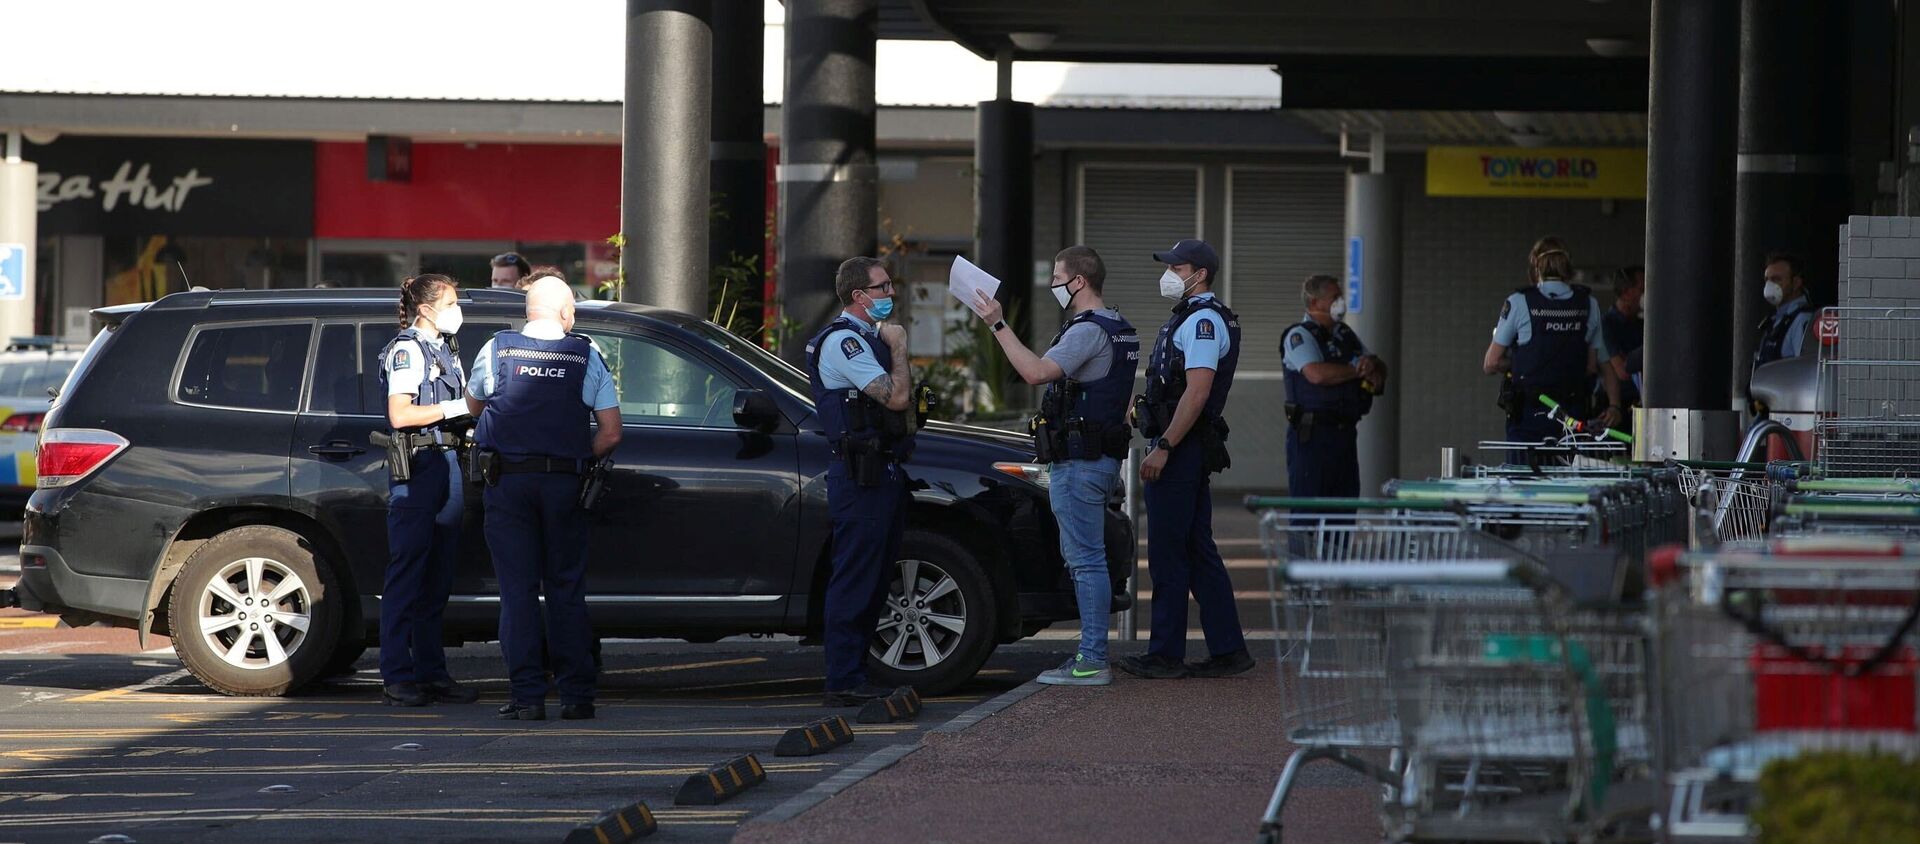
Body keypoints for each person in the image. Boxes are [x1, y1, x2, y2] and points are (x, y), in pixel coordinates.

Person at [970, 246, 1138, 686]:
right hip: (1099, 458)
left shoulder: (1086, 331)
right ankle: (1091, 655)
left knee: (1085, 561)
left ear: (1079, 281)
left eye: (1058, 277)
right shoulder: (1120, 326)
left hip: (1080, 462)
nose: (1053, 285)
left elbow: (1036, 372)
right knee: (1089, 558)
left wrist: (997, 324)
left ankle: (1091, 659)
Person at [467, 274, 622, 721]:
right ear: (567, 312)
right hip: (564, 486)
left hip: (508, 484)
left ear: (527, 312)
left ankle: (527, 698)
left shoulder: (496, 350)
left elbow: (475, 407)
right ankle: (576, 696)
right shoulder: (586, 354)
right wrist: (571, 455)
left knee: (516, 593)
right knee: (566, 590)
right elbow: (611, 433)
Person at [1120, 238, 1253, 681]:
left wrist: (1165, 446)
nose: (1169, 275)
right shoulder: (1193, 318)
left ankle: (1165, 654)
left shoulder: (1202, 323)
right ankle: (1229, 649)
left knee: (1168, 553)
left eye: (1176, 268)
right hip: (1185, 445)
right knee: (1196, 549)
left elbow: (1196, 393)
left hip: (1181, 448)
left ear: (1200, 274)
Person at [804, 256, 916, 707]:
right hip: (859, 476)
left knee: (875, 578)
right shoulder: (845, 343)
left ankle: (857, 671)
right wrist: (901, 347)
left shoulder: (870, 340)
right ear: (859, 296)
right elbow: (897, 398)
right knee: (855, 577)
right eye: (883, 288)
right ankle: (843, 678)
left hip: (881, 471)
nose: (891, 294)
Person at [377, 274, 483, 708]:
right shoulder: (408, 350)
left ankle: (432, 673)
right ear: (426, 309)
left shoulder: (447, 350)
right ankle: (397, 676)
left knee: (438, 578)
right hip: (418, 469)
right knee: (408, 575)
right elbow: (400, 415)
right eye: (451, 302)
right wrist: (462, 407)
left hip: (448, 463)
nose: (458, 310)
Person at [1482, 237, 1621, 450]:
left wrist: (1521, 363)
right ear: (1567, 265)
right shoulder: (1588, 304)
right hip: (1572, 417)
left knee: (1522, 479)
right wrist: (1614, 406)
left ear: (1535, 266)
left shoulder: (1519, 302)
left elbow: (1491, 363)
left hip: (1528, 415)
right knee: (1570, 479)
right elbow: (1595, 365)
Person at [1282, 274, 1387, 498]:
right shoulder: (1299, 336)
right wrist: (1357, 371)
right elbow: (1316, 374)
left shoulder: (1344, 334)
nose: (1341, 303)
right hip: (1312, 437)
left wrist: (1373, 367)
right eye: (1334, 297)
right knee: (1309, 512)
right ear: (1314, 303)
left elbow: (1374, 363)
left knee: (1342, 509)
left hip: (1345, 434)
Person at [1753, 251, 1815, 371]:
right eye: (1767, 280)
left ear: (1796, 283)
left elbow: (1805, 370)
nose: (1770, 285)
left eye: (1776, 279)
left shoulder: (1802, 319)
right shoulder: (1776, 319)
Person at [1600, 265, 1644, 423]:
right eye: (1641, 288)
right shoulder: (1607, 324)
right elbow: (1623, 370)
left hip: (1640, 406)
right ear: (1626, 292)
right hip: (1616, 409)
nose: (1645, 293)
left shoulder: (1642, 325)